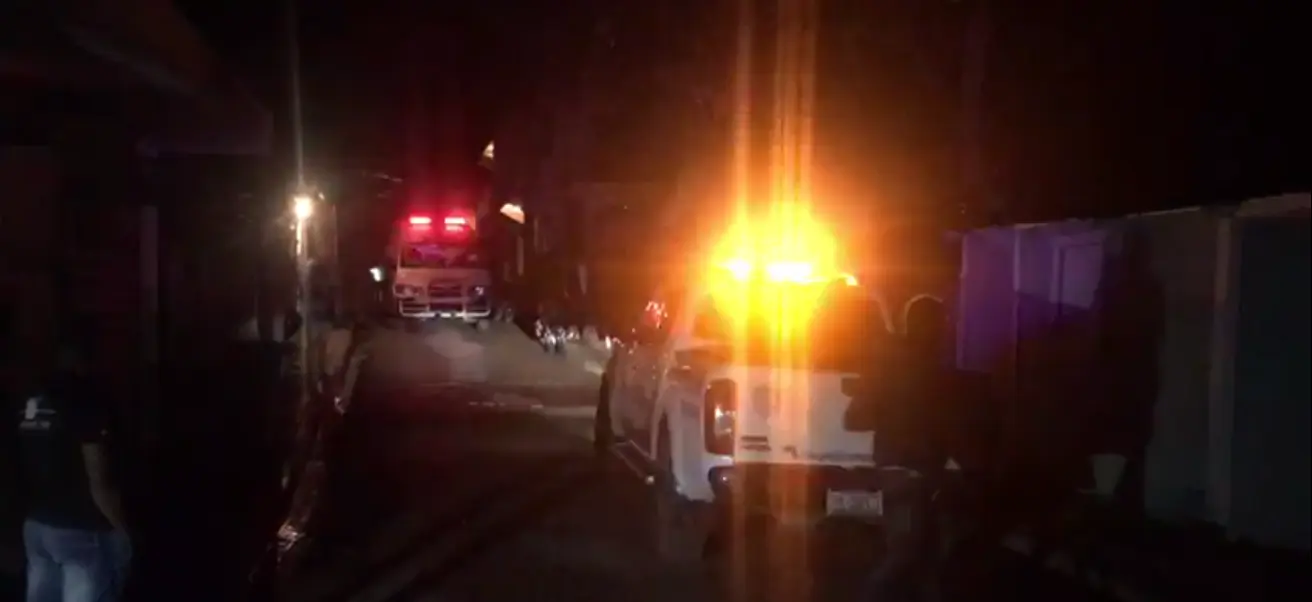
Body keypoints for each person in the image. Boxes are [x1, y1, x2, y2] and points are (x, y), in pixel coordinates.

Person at [12, 340, 131, 602]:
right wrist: (121, 527)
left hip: (36, 524)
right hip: (79, 528)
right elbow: (98, 477)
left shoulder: (31, 401)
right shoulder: (85, 400)